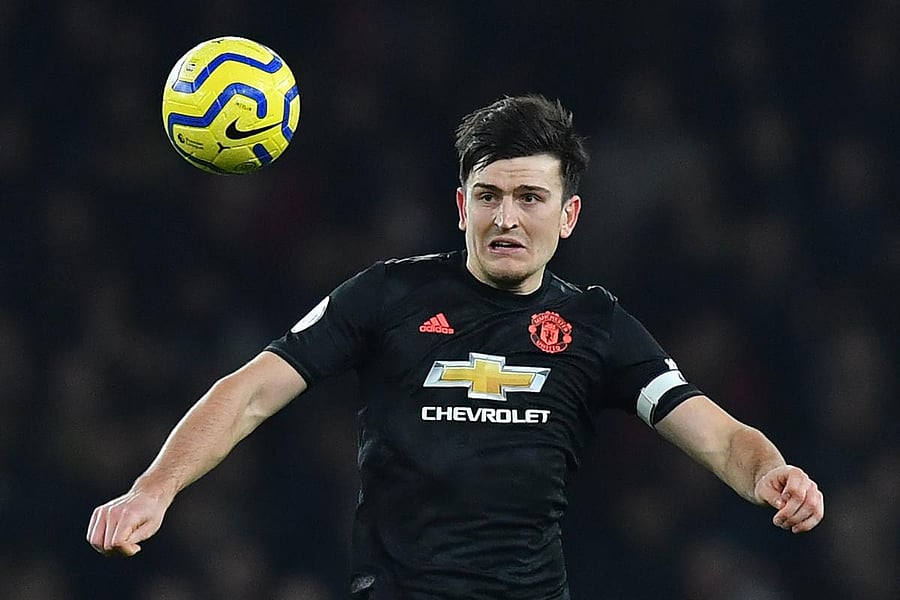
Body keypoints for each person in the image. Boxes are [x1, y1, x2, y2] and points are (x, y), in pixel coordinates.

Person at [87, 94, 824, 599]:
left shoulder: (596, 325)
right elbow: (249, 392)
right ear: (461, 205)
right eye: (489, 196)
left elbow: (718, 435)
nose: (506, 218)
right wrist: (154, 488)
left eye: (530, 199)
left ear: (568, 216)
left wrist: (772, 472)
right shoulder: (386, 296)